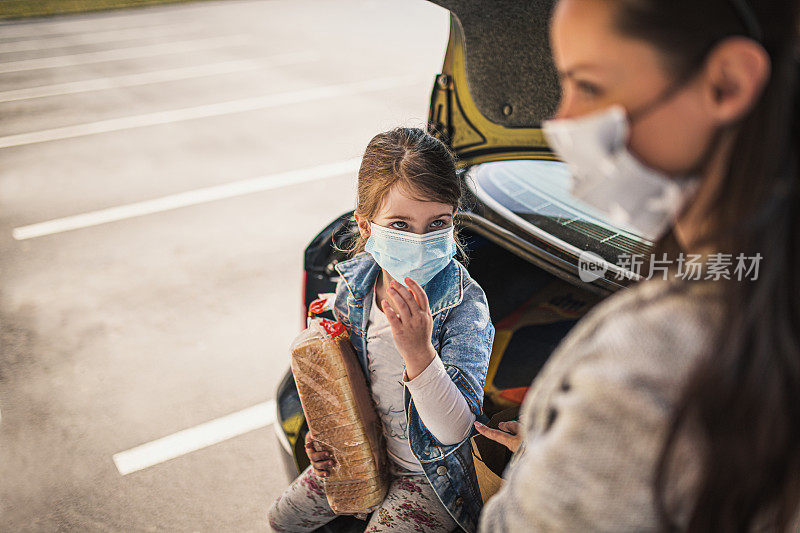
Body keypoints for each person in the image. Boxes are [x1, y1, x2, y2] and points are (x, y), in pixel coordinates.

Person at [476, 0, 800, 531]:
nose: (561, 121)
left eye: (589, 87)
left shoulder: (646, 366)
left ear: (728, 83)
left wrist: (544, 464)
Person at [268, 127, 495, 533]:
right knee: (283, 520)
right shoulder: (354, 288)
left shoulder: (465, 306)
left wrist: (419, 353)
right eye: (401, 225)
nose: (422, 239)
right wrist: (324, 439)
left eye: (437, 222)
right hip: (365, 452)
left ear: (454, 221)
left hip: (430, 478)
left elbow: (456, 432)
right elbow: (345, 386)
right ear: (366, 225)